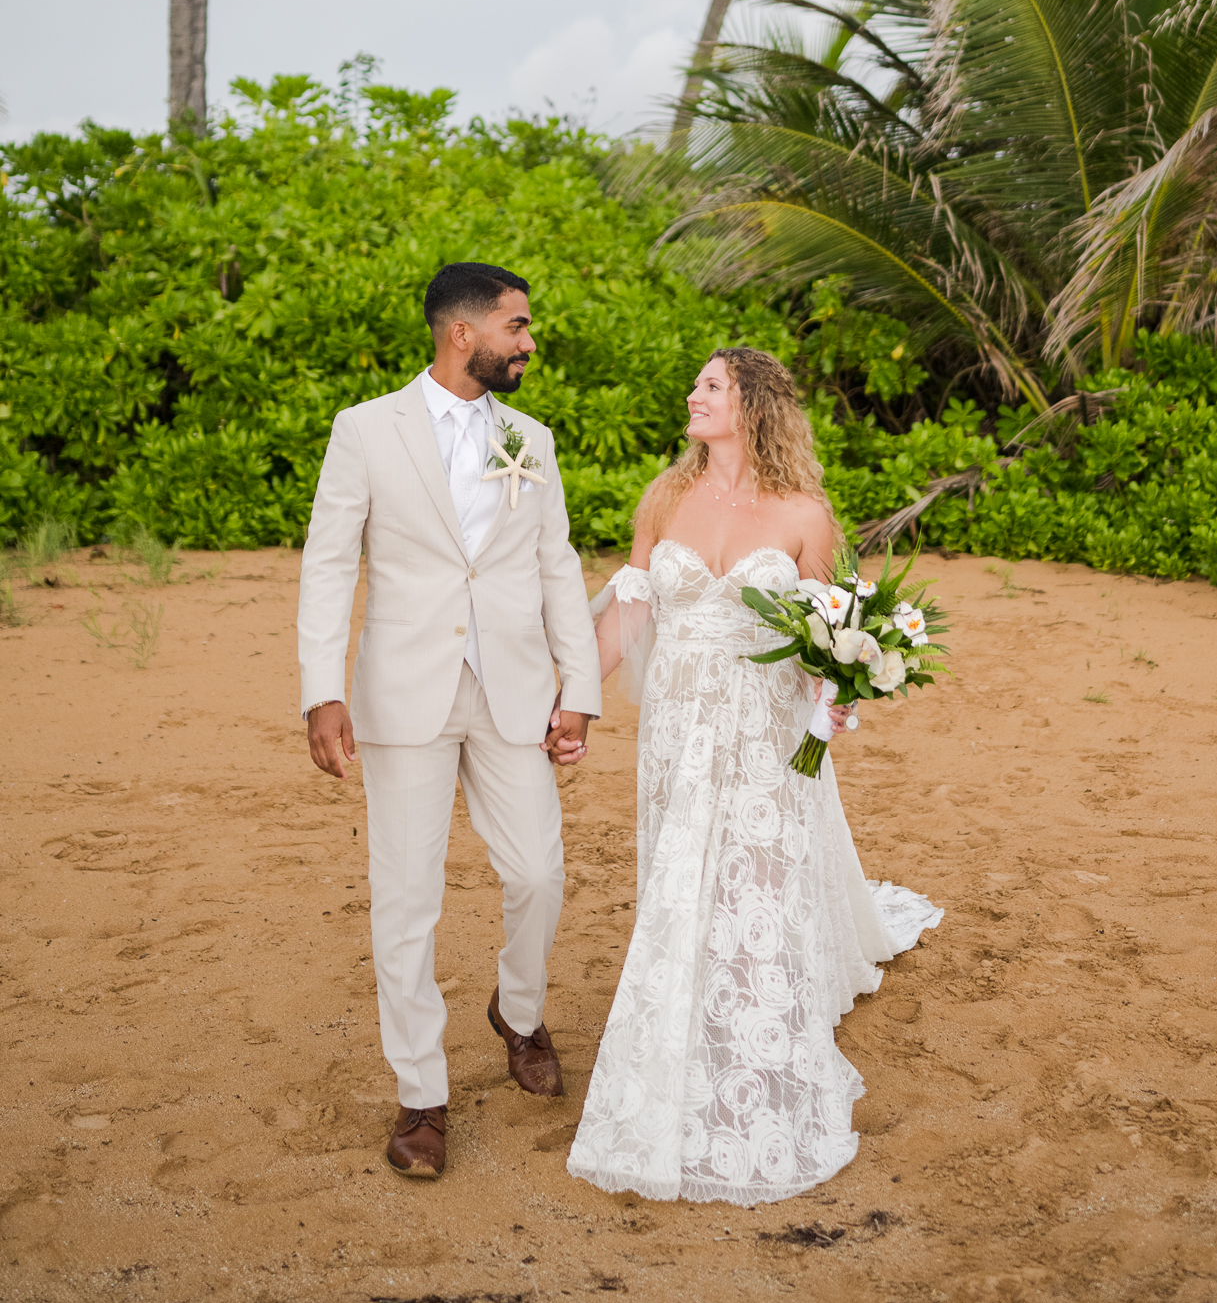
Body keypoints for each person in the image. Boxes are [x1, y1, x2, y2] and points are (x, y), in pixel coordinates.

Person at [566, 346, 941, 1207]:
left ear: (755, 405)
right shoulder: (664, 499)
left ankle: (758, 1020)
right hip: (677, 720)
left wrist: (840, 692)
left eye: (711, 385)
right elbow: (632, 610)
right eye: (696, 384)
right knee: (681, 865)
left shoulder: (806, 515)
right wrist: (571, 702)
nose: (693, 395)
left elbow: (828, 630)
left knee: (757, 876)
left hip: (766, 724)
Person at [297, 261, 602, 1182]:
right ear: (463, 334)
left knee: (539, 872)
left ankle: (516, 1011)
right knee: (406, 900)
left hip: (511, 687)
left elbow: (557, 565)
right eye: (519, 326)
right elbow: (327, 565)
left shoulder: (532, 440)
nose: (530, 342)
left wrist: (577, 685)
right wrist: (322, 690)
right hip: (403, 693)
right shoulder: (364, 431)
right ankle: (421, 1095)